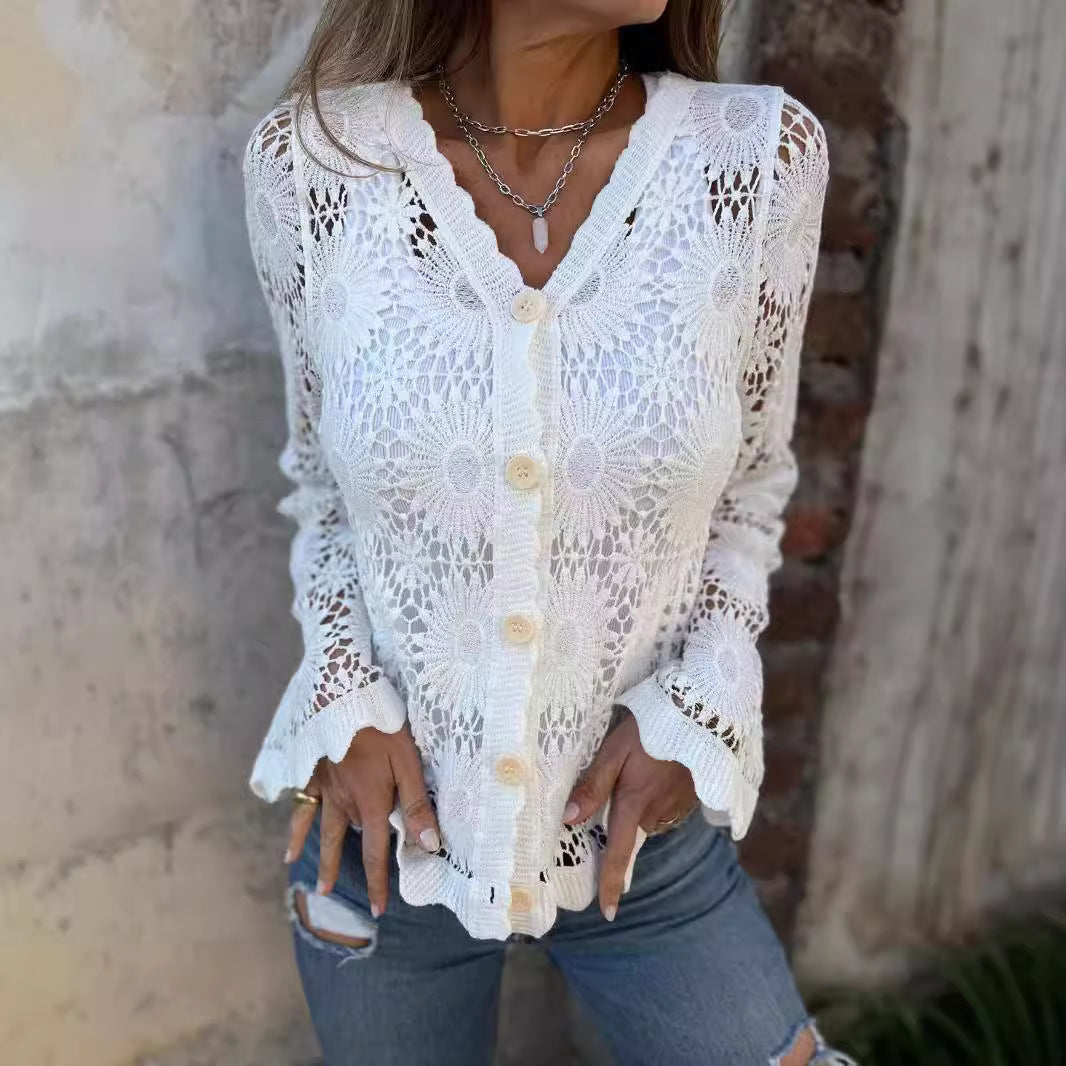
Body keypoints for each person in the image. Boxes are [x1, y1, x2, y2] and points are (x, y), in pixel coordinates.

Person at [241, 1, 852, 1063]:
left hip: (642, 848)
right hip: (387, 847)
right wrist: (343, 693)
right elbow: (320, 486)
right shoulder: (311, 165)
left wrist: (693, 709)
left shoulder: (752, 160)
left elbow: (752, 490)